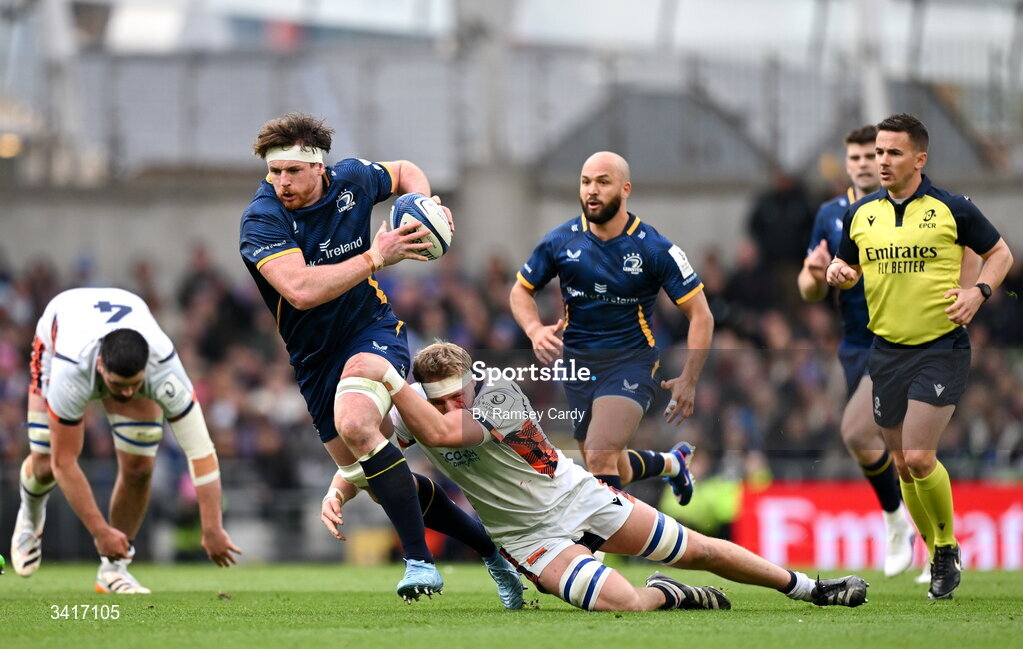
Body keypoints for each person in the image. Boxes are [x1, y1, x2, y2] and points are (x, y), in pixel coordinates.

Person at [321, 342, 869, 612]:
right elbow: (380, 452)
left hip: (577, 499)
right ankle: (673, 597)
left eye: (457, 393)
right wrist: (340, 487)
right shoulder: (424, 417)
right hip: (529, 541)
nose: (453, 404)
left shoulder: (499, 398)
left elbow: (438, 435)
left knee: (700, 547)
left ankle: (812, 590)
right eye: (440, 400)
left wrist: (389, 378)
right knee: (627, 605)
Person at [240, 112, 493, 601]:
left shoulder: (353, 178)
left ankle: (420, 562)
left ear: (319, 168)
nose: (281, 182)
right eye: (274, 171)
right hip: (314, 361)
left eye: (293, 171)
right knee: (381, 482)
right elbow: (299, 291)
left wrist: (424, 202)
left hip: (370, 330)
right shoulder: (262, 218)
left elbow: (402, 171)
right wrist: (377, 256)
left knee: (357, 424)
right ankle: (489, 549)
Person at [827, 113, 1013, 600]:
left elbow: (1001, 254)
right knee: (901, 463)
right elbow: (845, 263)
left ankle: (946, 547)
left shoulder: (953, 208)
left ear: (919, 159)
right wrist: (838, 273)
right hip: (885, 350)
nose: (881, 161)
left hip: (940, 347)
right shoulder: (861, 214)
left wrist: (979, 292)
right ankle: (935, 551)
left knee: (918, 454)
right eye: (877, 153)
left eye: (892, 153)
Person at [509, 151, 713, 500]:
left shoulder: (654, 248)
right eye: (586, 181)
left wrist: (690, 379)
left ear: (625, 189)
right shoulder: (560, 241)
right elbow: (520, 291)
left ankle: (595, 549)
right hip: (577, 365)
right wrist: (534, 329)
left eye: (603, 182)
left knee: (601, 454)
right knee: (605, 464)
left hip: (631, 361)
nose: (592, 190)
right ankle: (672, 463)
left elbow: (702, 316)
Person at [10, 288, 240, 593]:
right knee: (44, 463)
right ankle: (30, 515)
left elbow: (200, 450)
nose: (128, 394)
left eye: (135, 385)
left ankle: (113, 570)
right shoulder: (72, 371)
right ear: (101, 368)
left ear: (146, 369)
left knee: (139, 468)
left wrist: (212, 526)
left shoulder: (164, 367)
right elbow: (64, 463)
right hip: (59, 332)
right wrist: (99, 531)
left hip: (124, 326)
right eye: (119, 385)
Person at [798, 125, 916, 578]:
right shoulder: (829, 213)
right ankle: (937, 538)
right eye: (858, 156)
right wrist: (813, 275)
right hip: (853, 343)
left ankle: (895, 522)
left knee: (857, 433)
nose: (867, 162)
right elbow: (809, 289)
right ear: (847, 164)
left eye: (874, 154)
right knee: (902, 450)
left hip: (898, 339)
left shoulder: (902, 211)